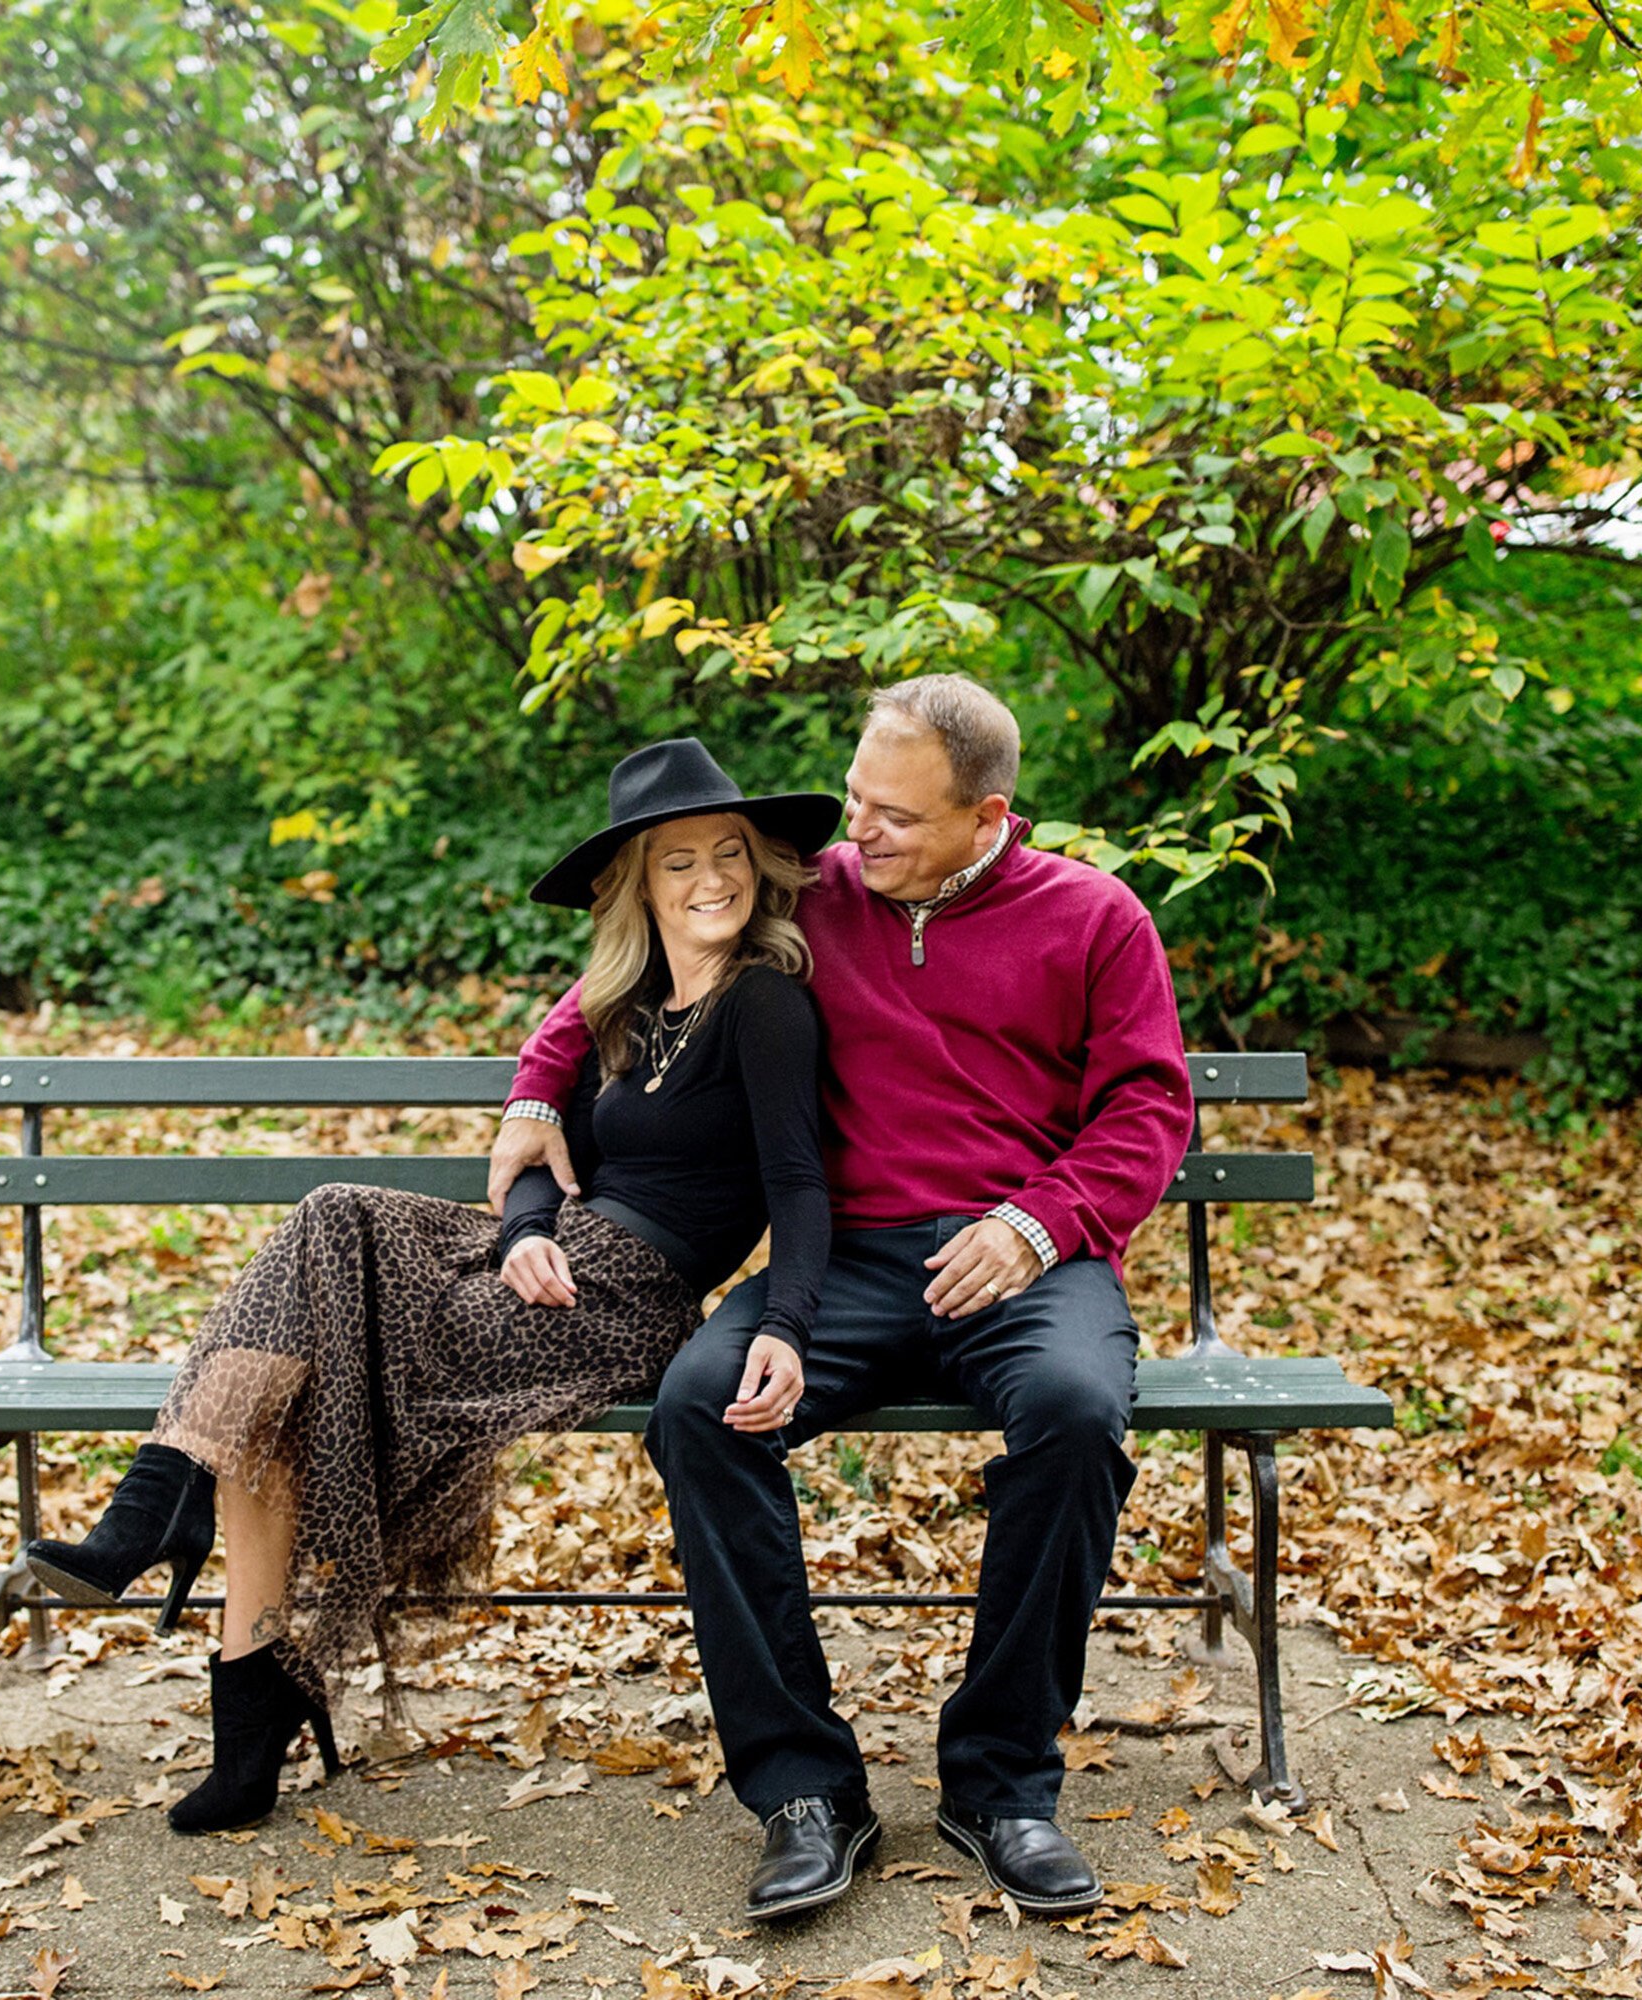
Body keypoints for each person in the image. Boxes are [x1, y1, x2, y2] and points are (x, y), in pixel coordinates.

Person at [21, 739, 840, 1837]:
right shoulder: (628, 1007)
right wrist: (519, 1233)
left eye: (728, 854)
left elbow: (796, 1180)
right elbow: (554, 1168)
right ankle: (207, 1607)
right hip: (555, 1265)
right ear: (638, 886)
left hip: (629, 1298)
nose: (709, 879)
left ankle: (177, 1556)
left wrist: (785, 1321)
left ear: (761, 867)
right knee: (327, 1225)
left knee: (296, 1368)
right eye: (677, 860)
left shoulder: (764, 1007)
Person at [490, 676, 1194, 1921]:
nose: (855, 836)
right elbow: (633, 967)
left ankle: (999, 1785)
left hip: (1030, 1260)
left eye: (894, 818)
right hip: (851, 1260)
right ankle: (804, 1787)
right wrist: (538, 1090)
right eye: (855, 801)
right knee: (700, 1402)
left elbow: (1147, 1106)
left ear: (987, 817)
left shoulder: (1093, 915)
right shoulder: (821, 889)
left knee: (1079, 1412)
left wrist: (1036, 1224)